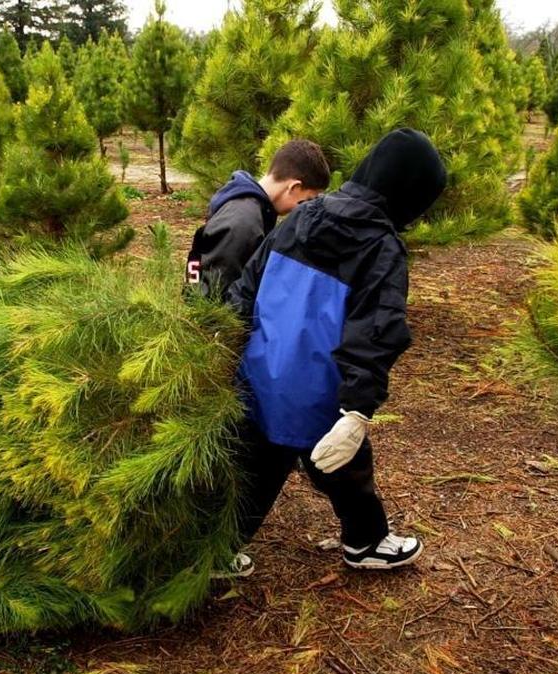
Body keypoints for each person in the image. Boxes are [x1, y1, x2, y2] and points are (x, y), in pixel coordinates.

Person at [220, 128, 447, 577]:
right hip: (320, 394)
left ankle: (215, 548)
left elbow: (248, 286)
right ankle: (366, 542)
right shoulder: (381, 248)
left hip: (261, 376)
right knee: (346, 465)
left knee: (261, 466)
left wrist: (226, 350)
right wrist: (358, 410)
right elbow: (375, 334)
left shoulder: (304, 216)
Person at [186, 140, 330, 298]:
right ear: (294, 187)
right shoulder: (243, 224)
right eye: (306, 200)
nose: (303, 209)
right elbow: (216, 298)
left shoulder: (254, 207)